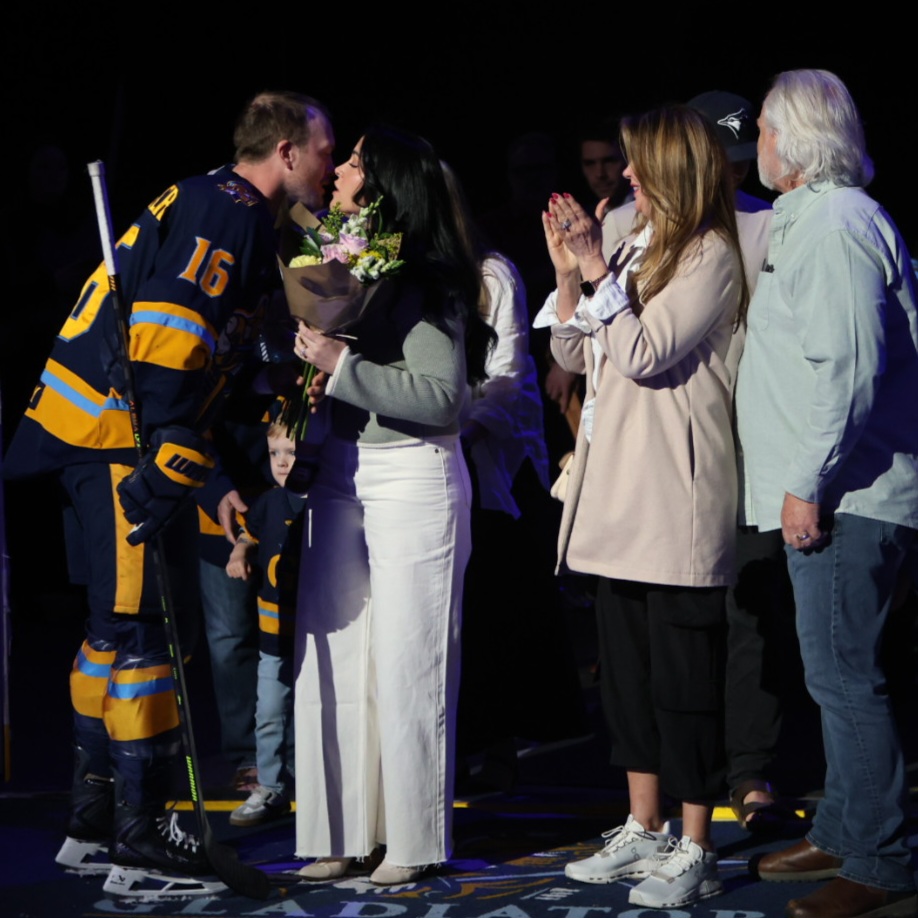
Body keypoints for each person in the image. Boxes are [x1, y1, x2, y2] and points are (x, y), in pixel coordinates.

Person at [3, 90, 334, 892]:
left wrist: (211, 479)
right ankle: (141, 830)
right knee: (147, 631)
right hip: (117, 442)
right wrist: (166, 470)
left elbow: (200, 369)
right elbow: (166, 339)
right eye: (325, 147)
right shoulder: (230, 210)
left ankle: (94, 822)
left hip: (92, 437)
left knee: (110, 630)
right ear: (286, 151)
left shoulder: (216, 203)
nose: (331, 162)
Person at [535, 105, 748, 909]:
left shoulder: (710, 254)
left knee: (684, 680)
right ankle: (644, 825)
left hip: (675, 497)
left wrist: (595, 277)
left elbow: (649, 353)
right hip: (616, 493)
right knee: (624, 677)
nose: (624, 178)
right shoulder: (631, 244)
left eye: (636, 165)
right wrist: (567, 272)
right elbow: (572, 351)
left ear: (672, 169)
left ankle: (697, 844)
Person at [290, 125, 495, 886]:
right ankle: (339, 832)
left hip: (412, 474)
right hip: (343, 470)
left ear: (383, 187)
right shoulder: (343, 263)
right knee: (337, 658)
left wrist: (343, 366)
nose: (337, 167)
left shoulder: (430, 279)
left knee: (412, 658)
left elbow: (444, 398)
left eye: (352, 162)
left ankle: (410, 839)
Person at [737, 69, 918, 918]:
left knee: (848, 678)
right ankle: (847, 829)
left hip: (850, 494)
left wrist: (805, 486)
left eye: (766, 130)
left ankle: (881, 862)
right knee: (832, 673)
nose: (757, 146)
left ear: (799, 141)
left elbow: (848, 371)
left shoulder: (839, 224)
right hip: (833, 490)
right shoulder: (809, 219)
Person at [224, 417, 316, 827]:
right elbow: (251, 533)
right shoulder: (267, 502)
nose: (281, 462)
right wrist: (239, 552)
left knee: (318, 708)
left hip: (315, 633)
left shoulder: (325, 503)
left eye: (291, 452)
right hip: (273, 634)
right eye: (275, 452)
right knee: (270, 712)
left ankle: (320, 783)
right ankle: (272, 785)